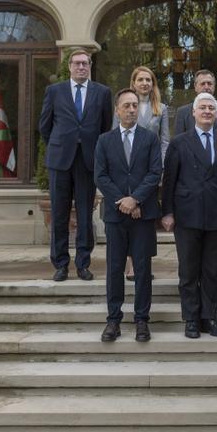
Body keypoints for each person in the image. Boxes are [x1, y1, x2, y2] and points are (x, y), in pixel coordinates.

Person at [162, 93, 217, 339]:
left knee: (211, 271)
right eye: (202, 108)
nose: (207, 111)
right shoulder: (179, 142)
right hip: (187, 215)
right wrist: (167, 212)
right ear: (193, 114)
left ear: (216, 114)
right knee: (189, 270)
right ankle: (191, 319)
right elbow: (169, 181)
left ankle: (209, 317)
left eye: (211, 108)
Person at [38, 48, 112, 282]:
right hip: (60, 161)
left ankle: (83, 264)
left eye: (85, 63)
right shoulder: (54, 91)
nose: (81, 67)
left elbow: (105, 127)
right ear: (69, 66)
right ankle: (60, 264)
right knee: (59, 213)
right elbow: (45, 127)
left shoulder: (102, 93)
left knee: (84, 214)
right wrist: (61, 145)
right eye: (77, 63)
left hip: (87, 161)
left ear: (90, 66)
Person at [95, 89, 162, 343]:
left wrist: (136, 199)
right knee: (114, 269)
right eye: (127, 106)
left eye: (135, 105)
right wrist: (123, 201)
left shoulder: (150, 139)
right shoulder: (104, 141)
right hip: (115, 216)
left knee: (143, 269)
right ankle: (113, 320)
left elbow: (155, 172)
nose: (132, 109)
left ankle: (142, 320)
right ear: (117, 110)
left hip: (143, 214)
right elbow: (101, 176)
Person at [174, 69, 217, 279]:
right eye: (202, 83)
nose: (206, 87)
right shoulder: (183, 112)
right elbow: (178, 149)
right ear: (195, 87)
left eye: (209, 84)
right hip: (191, 188)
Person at [116, 66, 171, 281]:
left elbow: (165, 140)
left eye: (149, 79)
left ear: (153, 83)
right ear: (134, 82)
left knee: (146, 220)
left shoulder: (161, 108)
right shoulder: (125, 106)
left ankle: (144, 264)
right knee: (129, 216)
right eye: (140, 79)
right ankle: (130, 264)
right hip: (129, 169)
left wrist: (162, 168)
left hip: (151, 171)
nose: (145, 83)